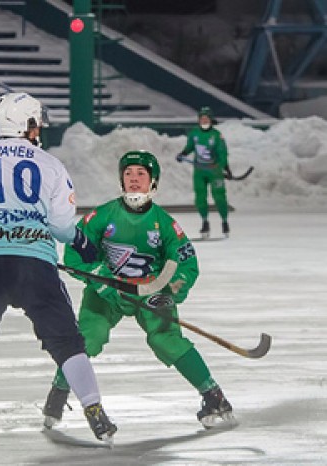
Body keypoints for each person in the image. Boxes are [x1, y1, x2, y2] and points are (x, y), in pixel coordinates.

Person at [0, 92, 117, 443]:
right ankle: (94, 410)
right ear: (28, 124)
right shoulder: (50, 164)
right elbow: (62, 226)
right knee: (66, 340)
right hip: (35, 261)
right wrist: (80, 242)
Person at [41, 150, 234, 430]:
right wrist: (103, 282)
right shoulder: (102, 215)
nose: (133, 179)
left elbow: (186, 264)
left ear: (152, 181)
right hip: (106, 293)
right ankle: (58, 392)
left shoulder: (166, 224)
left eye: (140, 174)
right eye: (128, 174)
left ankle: (213, 395)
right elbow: (76, 254)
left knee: (166, 339)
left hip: (150, 292)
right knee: (87, 339)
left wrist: (168, 291)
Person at [176, 106, 232, 239]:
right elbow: (189, 147)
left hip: (214, 171)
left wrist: (223, 167)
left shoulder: (217, 136)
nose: (204, 121)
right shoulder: (194, 134)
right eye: (202, 118)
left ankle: (224, 221)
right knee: (200, 198)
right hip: (199, 171)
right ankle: (205, 222)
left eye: (206, 118)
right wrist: (182, 153)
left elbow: (222, 154)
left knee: (219, 197)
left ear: (211, 120)